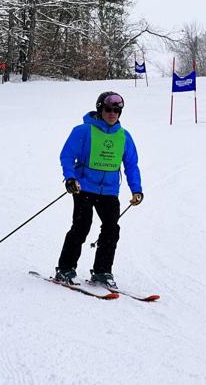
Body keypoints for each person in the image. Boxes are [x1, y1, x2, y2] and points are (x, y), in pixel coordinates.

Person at [55, 91, 143, 289]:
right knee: (82, 226)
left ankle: (102, 271)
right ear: (100, 109)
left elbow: (131, 165)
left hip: (110, 191)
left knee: (112, 229)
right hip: (84, 187)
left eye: (117, 110)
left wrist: (136, 190)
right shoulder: (83, 131)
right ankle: (65, 269)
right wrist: (70, 178)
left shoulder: (124, 137)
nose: (112, 113)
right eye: (108, 109)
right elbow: (67, 156)